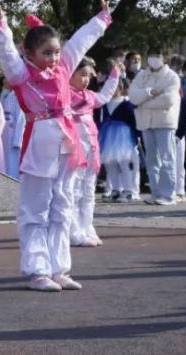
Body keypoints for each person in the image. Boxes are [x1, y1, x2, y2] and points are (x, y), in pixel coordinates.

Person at [0, 0, 110, 292]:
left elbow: (80, 41)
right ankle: (38, 269)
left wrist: (101, 19)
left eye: (56, 52)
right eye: (47, 53)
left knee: (63, 205)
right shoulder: (22, 74)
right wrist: (0, 24)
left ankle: (58, 267)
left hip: (67, 142)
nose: (53, 58)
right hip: (39, 142)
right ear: (30, 53)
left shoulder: (64, 68)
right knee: (35, 207)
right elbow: (7, 53)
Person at [69, 58, 119, 246]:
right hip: (73, 149)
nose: (86, 79)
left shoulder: (89, 95)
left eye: (89, 75)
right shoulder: (64, 95)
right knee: (74, 191)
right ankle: (73, 230)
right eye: (82, 75)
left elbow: (104, 96)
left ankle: (87, 227)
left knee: (88, 191)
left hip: (91, 147)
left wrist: (114, 76)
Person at [128, 48, 181, 205]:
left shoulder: (172, 77)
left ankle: (168, 194)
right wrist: (150, 92)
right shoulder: (142, 75)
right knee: (152, 160)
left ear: (164, 58)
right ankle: (156, 193)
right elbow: (133, 96)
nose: (153, 59)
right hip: (146, 122)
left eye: (157, 56)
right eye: (150, 56)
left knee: (167, 158)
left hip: (165, 122)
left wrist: (143, 102)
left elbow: (168, 100)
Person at [99, 76, 140, 202]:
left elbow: (135, 122)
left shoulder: (127, 104)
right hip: (108, 137)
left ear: (121, 89)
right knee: (110, 164)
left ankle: (128, 191)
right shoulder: (104, 105)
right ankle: (116, 190)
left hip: (124, 138)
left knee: (124, 163)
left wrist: (137, 136)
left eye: (115, 87)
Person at [0, 76, 26, 179]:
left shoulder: (18, 96)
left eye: (7, 78)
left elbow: (20, 119)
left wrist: (18, 140)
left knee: (12, 162)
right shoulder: (4, 94)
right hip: (4, 133)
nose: (5, 80)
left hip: (12, 133)